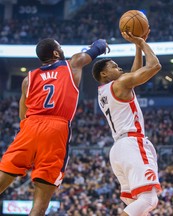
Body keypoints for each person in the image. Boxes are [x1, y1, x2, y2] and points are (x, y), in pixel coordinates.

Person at [0, 38, 108, 215]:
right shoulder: (71, 65)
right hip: (55, 127)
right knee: (40, 203)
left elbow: (22, 114)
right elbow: (96, 49)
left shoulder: (28, 78)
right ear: (56, 53)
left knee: (4, 175)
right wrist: (101, 43)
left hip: (30, 126)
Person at [92, 31, 162, 216]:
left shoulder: (105, 90)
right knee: (148, 199)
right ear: (104, 73)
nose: (120, 69)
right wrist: (141, 42)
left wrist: (138, 47)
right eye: (114, 66)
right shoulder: (120, 84)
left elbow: (133, 74)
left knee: (139, 209)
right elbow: (155, 65)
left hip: (118, 150)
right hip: (132, 143)